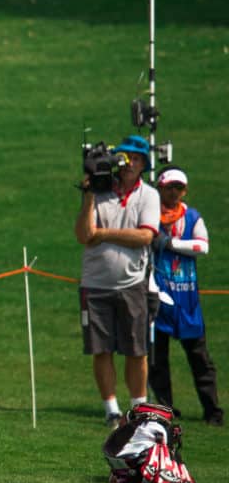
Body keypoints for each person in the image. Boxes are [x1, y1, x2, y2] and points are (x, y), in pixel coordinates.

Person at [75, 135, 160, 429]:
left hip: (132, 283)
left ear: (143, 165)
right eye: (125, 157)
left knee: (136, 350)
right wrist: (87, 194)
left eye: (136, 159)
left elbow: (145, 236)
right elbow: (85, 235)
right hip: (95, 283)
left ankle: (139, 407)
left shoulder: (148, 195)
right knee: (101, 349)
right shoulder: (100, 193)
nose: (129, 163)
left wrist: (105, 234)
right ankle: (111, 409)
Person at [148, 166, 223, 426]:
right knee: (158, 361)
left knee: (200, 358)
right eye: (170, 187)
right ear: (160, 188)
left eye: (179, 188)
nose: (174, 192)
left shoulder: (191, 217)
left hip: (187, 300)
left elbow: (203, 246)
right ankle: (164, 410)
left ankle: (213, 411)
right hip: (159, 297)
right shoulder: (150, 217)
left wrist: (170, 244)